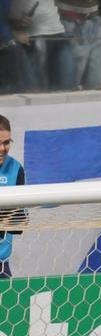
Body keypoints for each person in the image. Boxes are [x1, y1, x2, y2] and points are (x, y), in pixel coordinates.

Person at [0, 115, 27, 279]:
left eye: (6, 142)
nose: (3, 148)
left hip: (2, 263)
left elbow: (19, 223)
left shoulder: (16, 169)